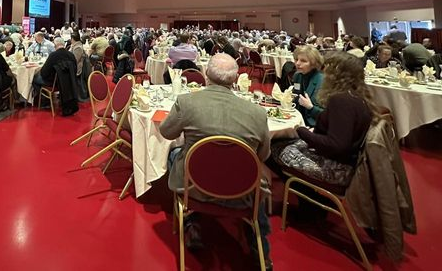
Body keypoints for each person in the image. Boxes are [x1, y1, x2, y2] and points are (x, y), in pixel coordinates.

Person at [160, 54, 272, 269]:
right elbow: (263, 155)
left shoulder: (187, 102)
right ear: (235, 78)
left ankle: (191, 221)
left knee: (174, 153)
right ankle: (261, 250)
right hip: (242, 189)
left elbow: (166, 133)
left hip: (194, 186)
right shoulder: (258, 113)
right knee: (257, 179)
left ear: (206, 75)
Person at [272, 53, 375, 188]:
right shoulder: (359, 96)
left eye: (327, 70)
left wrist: (301, 130)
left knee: (272, 146)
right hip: (350, 162)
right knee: (287, 142)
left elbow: (337, 145)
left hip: (337, 168)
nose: (323, 73)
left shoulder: (341, 100)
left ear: (335, 75)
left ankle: (309, 199)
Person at [32, 37, 79, 116]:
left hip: (55, 83)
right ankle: (47, 99)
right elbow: (75, 70)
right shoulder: (71, 55)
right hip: (68, 83)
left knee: (34, 79)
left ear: (55, 45)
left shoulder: (53, 55)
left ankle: (44, 101)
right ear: (63, 45)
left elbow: (44, 73)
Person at [291, 45, 325, 127]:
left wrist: (310, 107)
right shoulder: (297, 75)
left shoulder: (322, 81)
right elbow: (295, 97)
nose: (298, 63)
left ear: (314, 64)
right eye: (296, 60)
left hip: (314, 125)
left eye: (303, 61)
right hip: (297, 120)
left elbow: (327, 115)